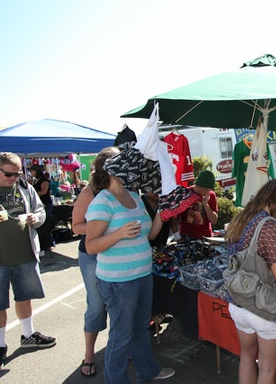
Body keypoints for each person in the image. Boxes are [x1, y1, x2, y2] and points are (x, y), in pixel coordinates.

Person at [85, 159, 175, 383]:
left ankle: (148, 371)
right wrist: (119, 234)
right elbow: (90, 246)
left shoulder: (134, 196)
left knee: (140, 329)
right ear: (113, 170)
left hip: (143, 275)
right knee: (121, 336)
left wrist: (162, 213)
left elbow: (150, 235)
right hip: (119, 282)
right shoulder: (102, 202)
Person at [0, 152, 56, 374]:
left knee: (25, 296)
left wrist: (36, 218)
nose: (14, 178)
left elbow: (40, 210)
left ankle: (28, 334)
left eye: (17, 173)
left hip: (25, 255)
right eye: (9, 174)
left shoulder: (25, 187)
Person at [224, 178, 276, 384]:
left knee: (246, 357)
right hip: (263, 307)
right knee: (266, 369)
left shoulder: (244, 217)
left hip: (239, 301)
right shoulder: (270, 226)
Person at [71, 146, 119, 377]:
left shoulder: (124, 188)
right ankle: (89, 355)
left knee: (119, 305)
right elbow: (76, 225)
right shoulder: (90, 192)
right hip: (92, 255)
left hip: (117, 253)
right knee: (97, 305)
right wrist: (102, 227)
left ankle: (120, 348)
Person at [178, 170, 218, 240]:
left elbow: (214, 220)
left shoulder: (211, 195)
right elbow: (175, 216)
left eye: (209, 189)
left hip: (206, 236)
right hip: (187, 235)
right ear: (198, 185)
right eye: (205, 189)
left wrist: (205, 204)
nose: (208, 192)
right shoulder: (186, 193)